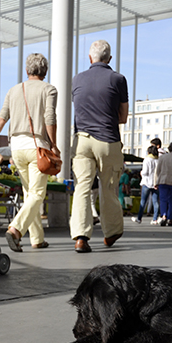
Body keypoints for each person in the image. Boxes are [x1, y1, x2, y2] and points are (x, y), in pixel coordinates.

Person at [0, 53, 58, 252]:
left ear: (27, 71)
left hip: (16, 146)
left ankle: (37, 238)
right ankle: (16, 229)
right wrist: (54, 144)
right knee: (38, 194)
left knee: (29, 193)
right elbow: (49, 117)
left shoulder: (14, 90)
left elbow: (1, 118)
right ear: (45, 71)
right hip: (38, 147)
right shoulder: (49, 89)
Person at [70, 40, 129, 253]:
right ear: (109, 59)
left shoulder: (77, 79)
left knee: (82, 189)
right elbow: (122, 117)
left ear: (89, 58)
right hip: (107, 139)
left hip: (81, 141)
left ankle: (80, 237)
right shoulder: (118, 79)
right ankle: (111, 232)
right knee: (109, 187)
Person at [131, 138, 160, 225]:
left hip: (146, 182)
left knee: (143, 201)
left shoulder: (147, 159)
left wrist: (141, 173)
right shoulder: (158, 160)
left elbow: (145, 172)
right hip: (155, 183)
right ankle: (155, 219)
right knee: (155, 202)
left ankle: (139, 218)